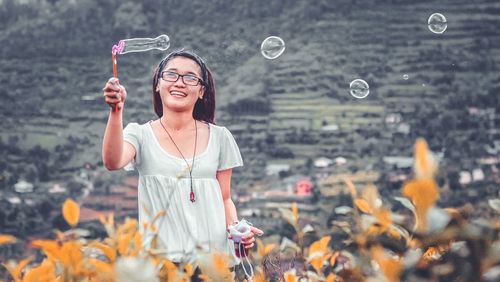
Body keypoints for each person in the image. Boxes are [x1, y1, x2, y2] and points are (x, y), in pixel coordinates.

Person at [102, 50, 263, 271]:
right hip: (162, 267)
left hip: (214, 266)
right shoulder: (140, 135)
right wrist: (116, 111)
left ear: (202, 91)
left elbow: (225, 198)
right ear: (158, 85)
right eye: (171, 75)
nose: (179, 83)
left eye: (190, 78)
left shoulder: (220, 137)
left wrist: (238, 232)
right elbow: (113, 161)